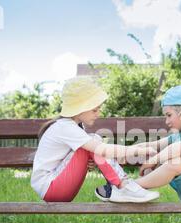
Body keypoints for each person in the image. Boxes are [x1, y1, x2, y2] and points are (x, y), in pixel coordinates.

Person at [31, 76, 160, 203]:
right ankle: (123, 186)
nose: (98, 114)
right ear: (80, 109)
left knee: (93, 142)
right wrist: (134, 150)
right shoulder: (64, 127)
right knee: (94, 141)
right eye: (94, 110)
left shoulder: (71, 127)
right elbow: (102, 150)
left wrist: (87, 160)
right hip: (51, 187)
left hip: (56, 187)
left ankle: (118, 187)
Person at [96, 85, 181, 203]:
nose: (167, 121)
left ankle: (129, 187)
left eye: (169, 115)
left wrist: (154, 159)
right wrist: (126, 152)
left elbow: (178, 148)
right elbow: (152, 145)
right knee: (157, 155)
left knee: (176, 160)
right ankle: (128, 189)